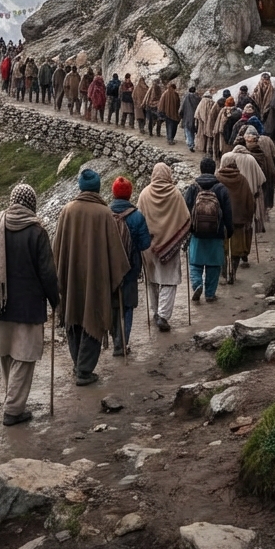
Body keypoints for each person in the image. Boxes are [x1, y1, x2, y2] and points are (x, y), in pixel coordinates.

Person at [0, 184, 59, 426]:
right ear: (31, 203)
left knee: (7, 354)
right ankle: (13, 409)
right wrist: (55, 300)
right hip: (29, 305)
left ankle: (11, 399)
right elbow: (47, 272)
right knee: (24, 356)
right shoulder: (36, 231)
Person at [53, 169, 130, 385]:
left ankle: (79, 365)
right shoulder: (104, 214)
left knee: (73, 317)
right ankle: (84, 370)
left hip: (72, 278)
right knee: (93, 317)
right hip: (96, 279)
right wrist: (118, 277)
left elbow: (57, 250)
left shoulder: (67, 211)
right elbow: (116, 254)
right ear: (97, 188)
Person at [138, 163, 191, 332]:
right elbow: (186, 218)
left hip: (149, 246)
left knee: (152, 280)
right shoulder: (175, 193)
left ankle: (155, 312)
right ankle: (163, 315)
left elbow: (139, 218)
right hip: (171, 246)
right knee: (169, 280)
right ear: (168, 174)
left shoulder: (145, 194)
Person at [108, 177, 152, 356]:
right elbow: (144, 244)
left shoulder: (105, 214)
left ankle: (114, 339)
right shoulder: (137, 216)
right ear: (129, 194)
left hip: (109, 271)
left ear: (113, 193)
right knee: (127, 306)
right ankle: (122, 342)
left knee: (112, 305)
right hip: (130, 270)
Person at [183, 157, 233, 302]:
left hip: (197, 233)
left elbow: (186, 210)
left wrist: (188, 230)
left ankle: (197, 284)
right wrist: (229, 230)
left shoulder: (193, 188)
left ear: (201, 169)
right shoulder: (221, 188)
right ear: (214, 170)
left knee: (195, 263)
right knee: (214, 265)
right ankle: (210, 294)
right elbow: (228, 212)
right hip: (216, 233)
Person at [213, 153, 256, 279]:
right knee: (236, 250)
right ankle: (233, 273)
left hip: (221, 222)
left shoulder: (217, 178)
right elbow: (250, 200)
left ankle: (224, 272)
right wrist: (249, 218)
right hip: (239, 221)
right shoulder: (242, 179)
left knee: (223, 248)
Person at [194, 89, 217, 155]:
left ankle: (202, 147)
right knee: (208, 135)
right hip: (209, 122)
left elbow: (197, 113)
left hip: (201, 122)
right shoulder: (212, 102)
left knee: (201, 134)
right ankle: (208, 148)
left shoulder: (202, 102)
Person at [159, 80, 182, 144]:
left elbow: (161, 103)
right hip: (174, 114)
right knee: (173, 126)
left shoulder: (165, 94)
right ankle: (171, 138)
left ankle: (169, 138)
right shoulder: (175, 94)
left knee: (168, 126)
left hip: (167, 113)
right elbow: (178, 104)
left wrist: (161, 111)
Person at [180, 85, 202, 152]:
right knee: (193, 131)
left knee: (188, 131)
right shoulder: (198, 98)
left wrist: (181, 115)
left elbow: (181, 108)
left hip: (187, 117)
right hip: (195, 118)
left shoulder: (186, 98)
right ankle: (192, 143)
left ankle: (190, 144)